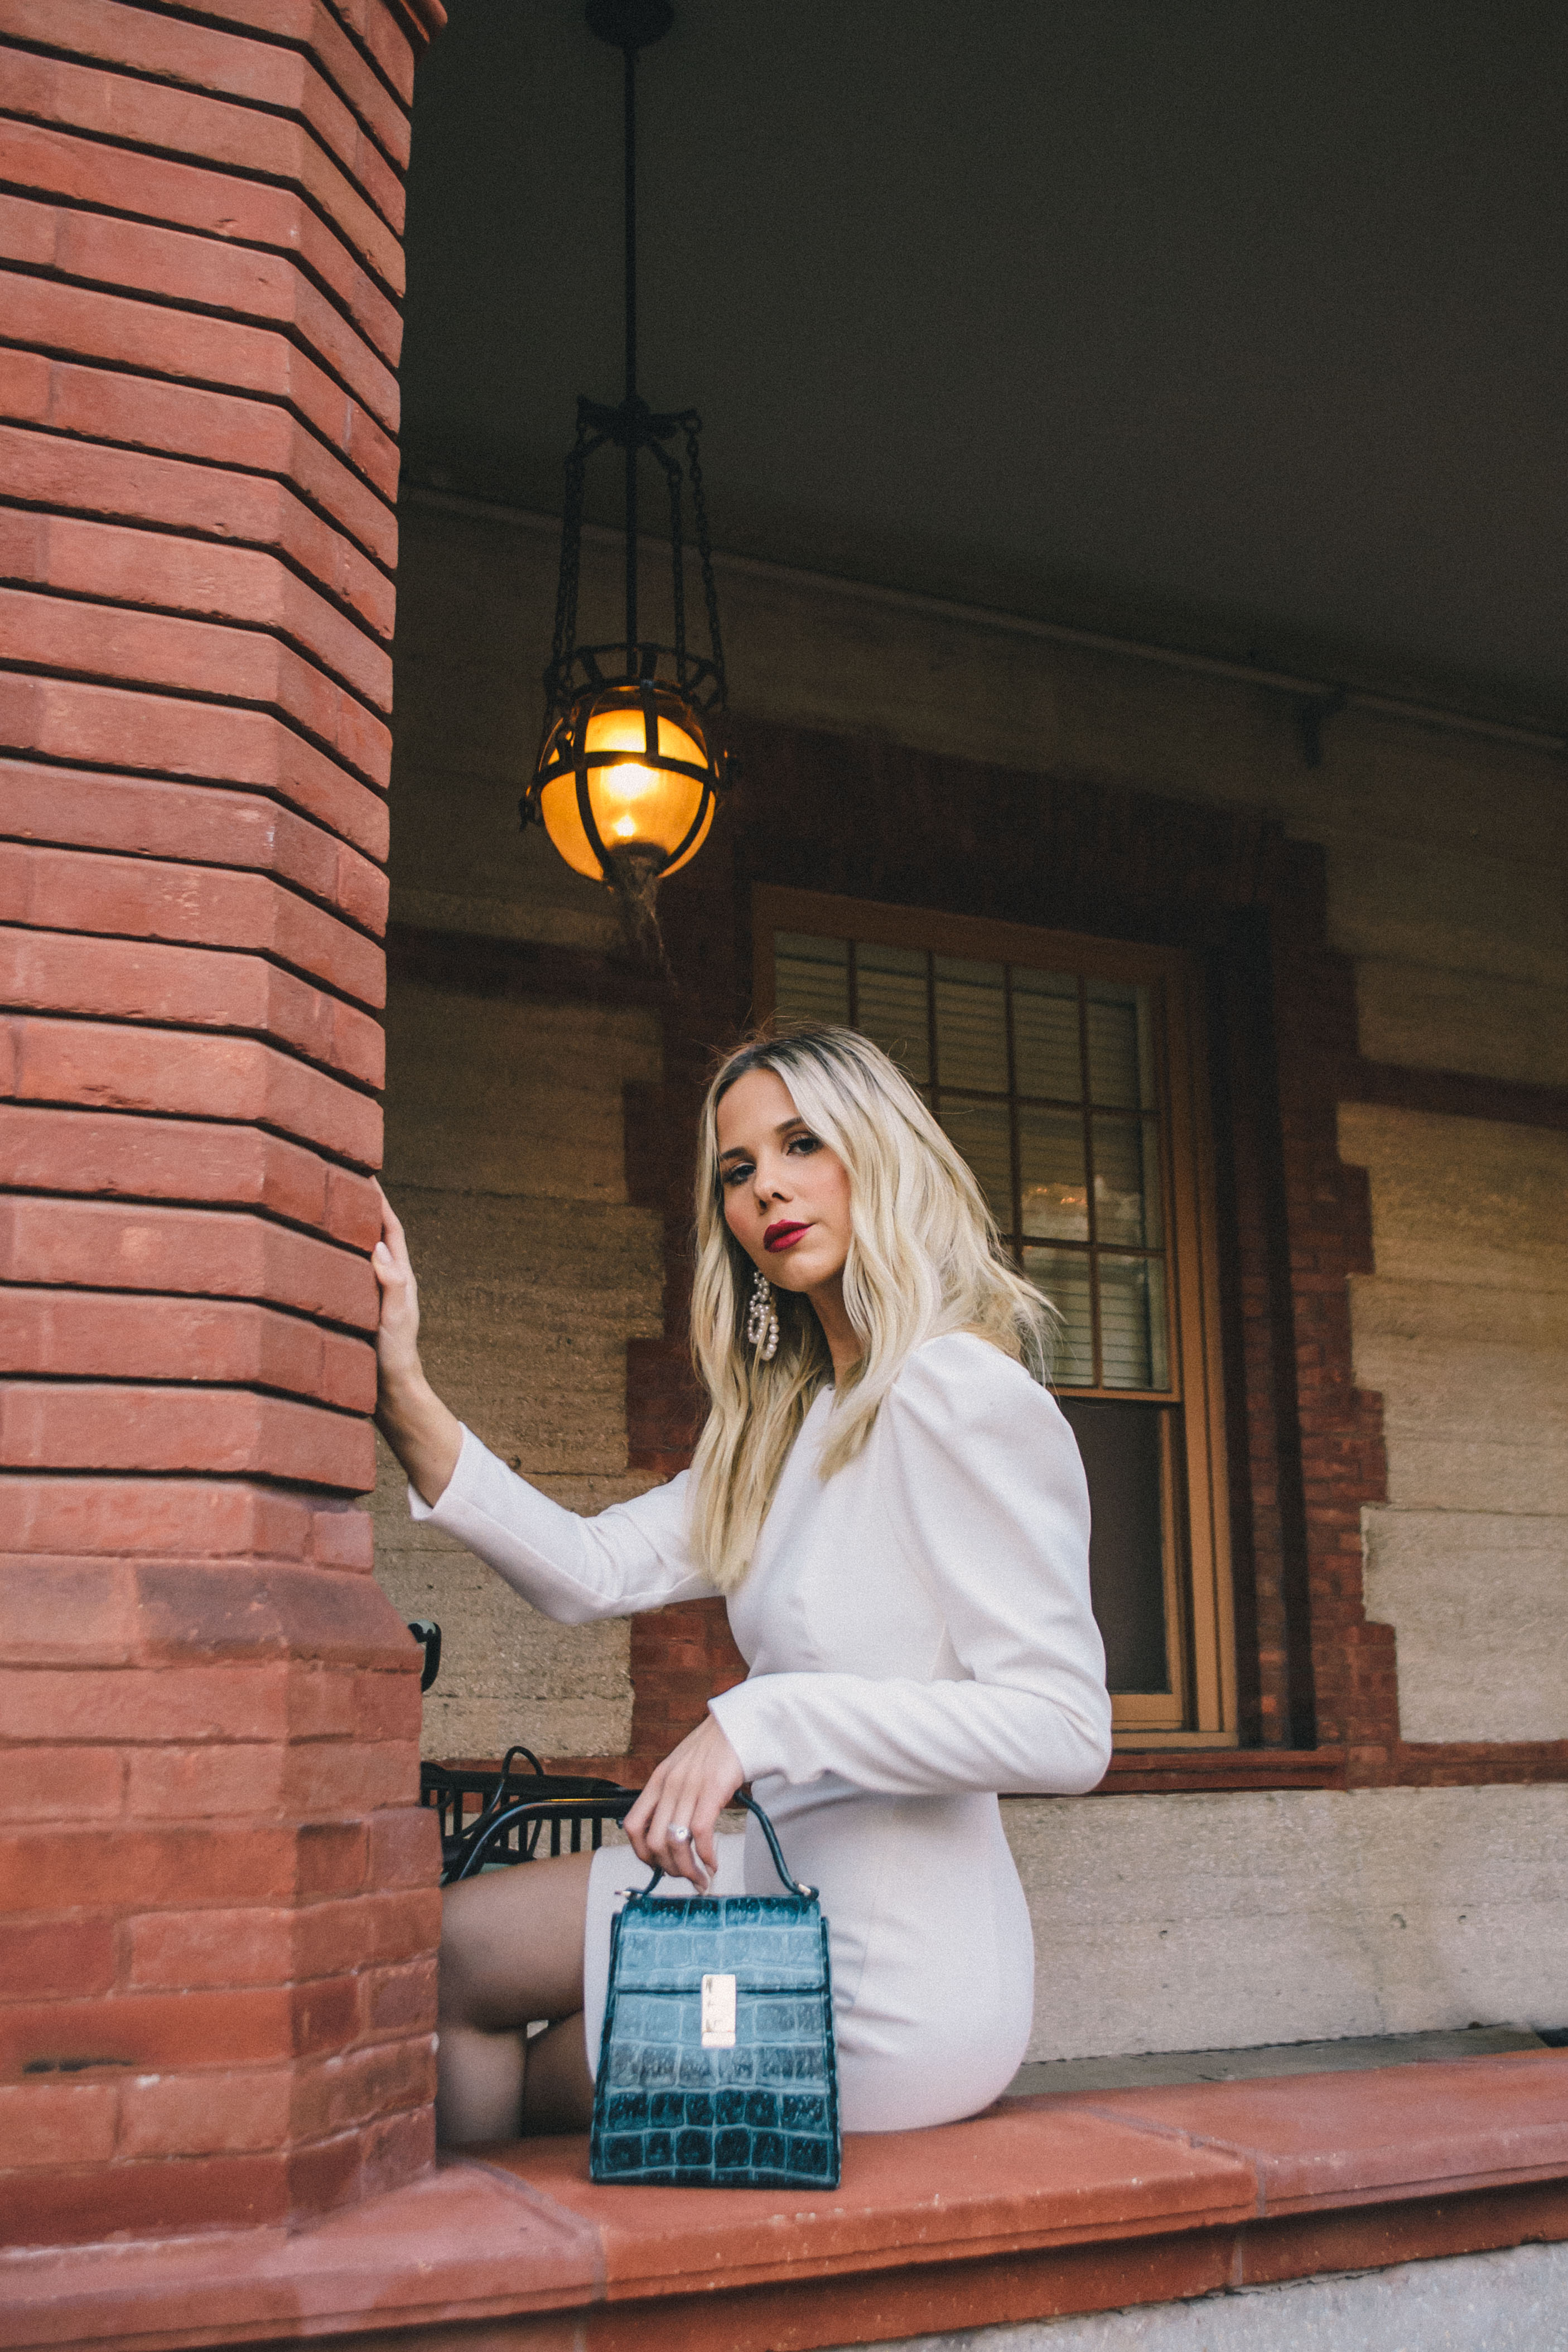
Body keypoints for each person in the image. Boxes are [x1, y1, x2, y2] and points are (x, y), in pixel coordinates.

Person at [373, 1023, 1111, 2146]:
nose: (766, 1182)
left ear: (880, 1155)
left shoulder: (959, 1390)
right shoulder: (782, 1424)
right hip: (761, 1892)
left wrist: (767, 1716)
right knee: (459, 1950)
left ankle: (493, 2281)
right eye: (736, 1169)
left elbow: (1065, 1729)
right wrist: (404, 1389)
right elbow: (590, 1570)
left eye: (801, 1142)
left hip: (888, 1983)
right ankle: (478, 2270)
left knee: (539, 2064)